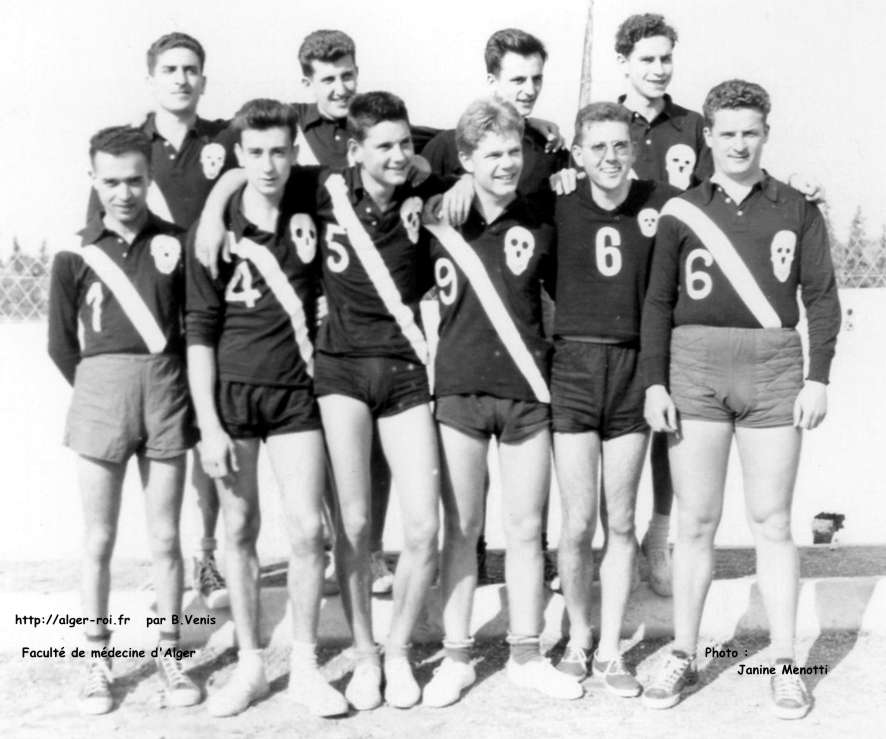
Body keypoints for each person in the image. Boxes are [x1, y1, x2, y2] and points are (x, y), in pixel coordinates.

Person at [640, 80, 841, 719]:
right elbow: (658, 302)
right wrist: (653, 381)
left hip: (774, 365)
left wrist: (819, 376)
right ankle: (684, 650)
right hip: (695, 365)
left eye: (749, 131)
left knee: (773, 522)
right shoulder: (681, 210)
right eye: (725, 132)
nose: (737, 143)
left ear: (766, 134)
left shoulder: (797, 208)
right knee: (696, 521)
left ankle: (786, 662)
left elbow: (822, 298)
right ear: (708, 136)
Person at [186, 99, 347, 718]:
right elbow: (199, 331)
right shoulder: (216, 229)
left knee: (310, 530)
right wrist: (207, 423)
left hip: (295, 392)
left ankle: (304, 665)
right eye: (254, 153)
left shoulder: (310, 196)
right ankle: (251, 665)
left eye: (280, 150)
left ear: (294, 151)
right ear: (239, 155)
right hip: (232, 395)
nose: (269, 164)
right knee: (241, 530)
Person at [421, 97, 581, 708]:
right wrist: (451, 185)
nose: (507, 163)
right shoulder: (438, 221)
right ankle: (456, 657)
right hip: (459, 390)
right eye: (490, 155)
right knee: (461, 529)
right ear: (465, 159)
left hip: (526, 393)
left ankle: (526, 653)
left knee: (524, 528)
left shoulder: (542, 219)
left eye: (514, 152)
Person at [49, 125, 202, 715]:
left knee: (166, 537)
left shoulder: (176, 243)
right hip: (100, 395)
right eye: (110, 181)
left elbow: (191, 328)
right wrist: (99, 390)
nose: (124, 192)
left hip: (165, 392)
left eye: (135, 180)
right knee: (100, 538)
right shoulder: (75, 253)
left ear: (150, 178)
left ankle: (170, 654)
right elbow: (62, 344)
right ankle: (95, 659)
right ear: (93, 180)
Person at [87, 32, 236, 608]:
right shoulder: (128, 148)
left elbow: (306, 122)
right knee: (161, 444)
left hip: (209, 310)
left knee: (208, 434)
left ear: (204, 76)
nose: (181, 78)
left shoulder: (222, 139)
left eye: (192, 68)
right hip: (151, 315)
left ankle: (206, 556)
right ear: (151, 77)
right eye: (170, 69)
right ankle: (166, 563)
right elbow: (100, 241)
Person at [423, 27, 569, 583]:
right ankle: (473, 548)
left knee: (531, 418)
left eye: (536, 79)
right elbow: (416, 170)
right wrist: (454, 179)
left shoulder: (547, 145)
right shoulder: (456, 138)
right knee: (473, 430)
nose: (528, 90)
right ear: (491, 80)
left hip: (531, 286)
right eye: (517, 79)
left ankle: (539, 546)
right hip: (474, 294)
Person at [551, 102, 679, 689]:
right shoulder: (554, 201)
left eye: (620, 146)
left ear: (634, 148)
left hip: (632, 365)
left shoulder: (659, 200)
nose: (610, 157)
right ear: (576, 155)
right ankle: (578, 636)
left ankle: (610, 650)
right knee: (577, 524)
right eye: (596, 147)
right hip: (573, 365)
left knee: (619, 521)